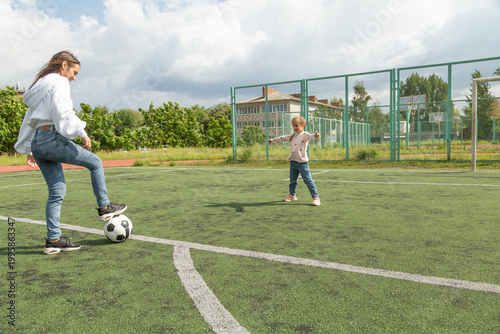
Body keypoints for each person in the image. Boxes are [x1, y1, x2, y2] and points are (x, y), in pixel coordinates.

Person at [14, 51, 127, 255]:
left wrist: (30, 148)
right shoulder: (58, 82)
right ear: (64, 64)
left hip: (39, 142)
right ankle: (104, 208)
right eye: (74, 72)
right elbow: (64, 112)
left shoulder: (39, 86)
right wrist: (83, 134)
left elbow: (29, 120)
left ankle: (53, 240)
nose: (74, 77)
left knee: (56, 193)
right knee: (96, 163)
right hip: (51, 139)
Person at [268, 116, 321, 206]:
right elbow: (283, 138)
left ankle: (316, 198)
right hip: (293, 162)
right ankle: (292, 195)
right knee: (292, 180)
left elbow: (311, 136)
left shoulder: (305, 134)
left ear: (303, 125)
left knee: (308, 180)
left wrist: (316, 135)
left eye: (296, 125)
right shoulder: (293, 136)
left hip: (302, 163)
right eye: (293, 126)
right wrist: (273, 140)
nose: (294, 128)